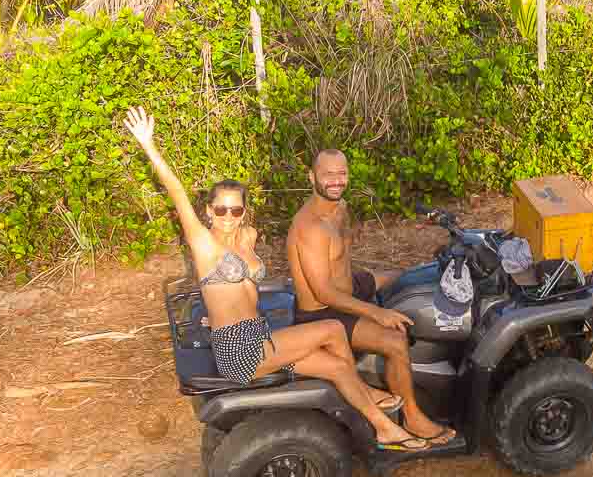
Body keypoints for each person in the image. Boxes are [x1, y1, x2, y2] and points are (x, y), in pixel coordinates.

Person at [120, 107, 424, 452]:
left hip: (260, 336)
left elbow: (243, 288)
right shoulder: (205, 246)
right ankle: (367, 394)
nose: (228, 218)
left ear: (244, 212)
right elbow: (175, 192)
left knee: (338, 368)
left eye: (236, 210)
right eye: (220, 210)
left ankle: (382, 428)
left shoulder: (247, 237)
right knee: (333, 330)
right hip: (239, 350)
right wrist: (149, 145)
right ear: (208, 211)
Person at [287, 147, 461, 448]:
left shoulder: (338, 207)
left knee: (404, 276)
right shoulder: (310, 227)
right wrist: (375, 312)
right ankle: (413, 416)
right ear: (312, 176)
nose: (336, 181)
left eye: (341, 173)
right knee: (395, 340)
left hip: (349, 287)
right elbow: (323, 292)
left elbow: (344, 247)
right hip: (324, 311)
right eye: (328, 174)